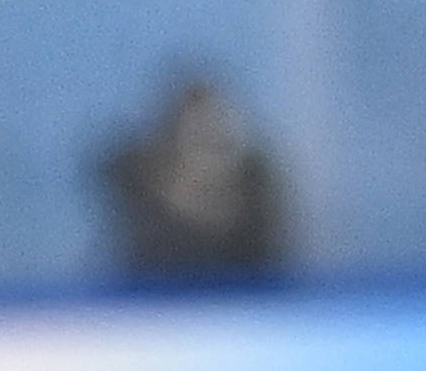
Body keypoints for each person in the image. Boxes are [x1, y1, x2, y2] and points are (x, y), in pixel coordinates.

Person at [94, 72, 293, 289]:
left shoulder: (255, 184)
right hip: (153, 303)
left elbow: (268, 258)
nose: (210, 140)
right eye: (200, 136)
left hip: (243, 304)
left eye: (218, 136)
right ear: (173, 139)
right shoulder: (138, 180)